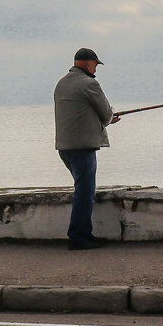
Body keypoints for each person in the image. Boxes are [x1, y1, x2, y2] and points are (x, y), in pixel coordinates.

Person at [54, 47, 120, 250]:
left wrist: (106, 118)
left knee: (82, 190)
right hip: (82, 147)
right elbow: (105, 113)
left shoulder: (62, 83)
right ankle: (78, 238)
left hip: (65, 147)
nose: (96, 69)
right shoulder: (90, 83)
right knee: (85, 193)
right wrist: (110, 118)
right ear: (87, 63)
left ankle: (85, 233)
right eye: (95, 64)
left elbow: (80, 111)